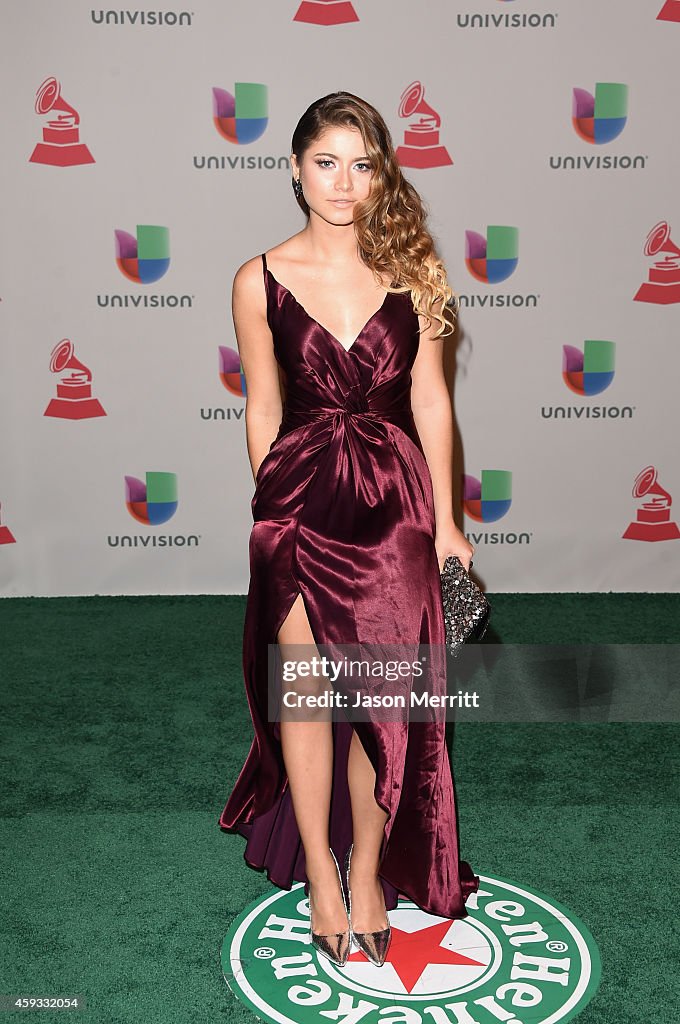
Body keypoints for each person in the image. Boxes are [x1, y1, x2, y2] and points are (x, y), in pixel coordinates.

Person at [219, 91, 479, 969]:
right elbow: (261, 404)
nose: (343, 181)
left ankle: (367, 868)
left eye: (362, 164)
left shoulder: (412, 270)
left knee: (381, 705)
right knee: (303, 691)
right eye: (325, 161)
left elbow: (433, 402)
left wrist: (449, 523)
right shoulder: (257, 277)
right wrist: (272, 502)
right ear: (294, 167)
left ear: (381, 175)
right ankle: (323, 888)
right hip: (299, 504)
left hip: (394, 506)